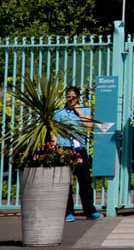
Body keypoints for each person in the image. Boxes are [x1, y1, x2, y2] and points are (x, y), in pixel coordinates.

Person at [54, 85, 101, 221]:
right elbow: (54, 131)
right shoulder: (60, 113)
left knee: (85, 180)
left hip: (80, 149)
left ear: (78, 97)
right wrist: (55, 146)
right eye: (68, 97)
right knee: (66, 182)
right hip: (65, 149)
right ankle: (68, 211)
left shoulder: (85, 110)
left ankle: (89, 210)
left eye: (73, 97)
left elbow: (89, 126)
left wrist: (80, 113)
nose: (71, 100)